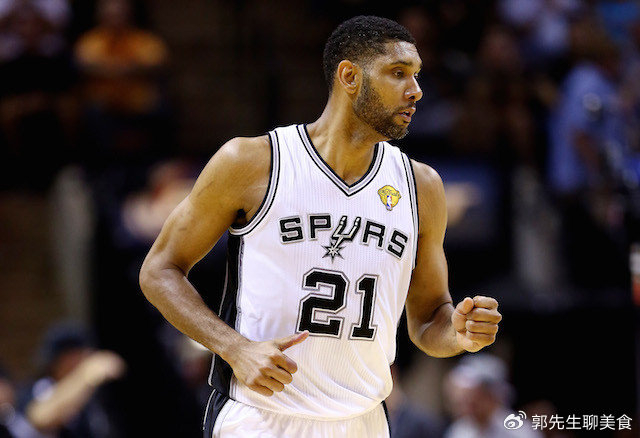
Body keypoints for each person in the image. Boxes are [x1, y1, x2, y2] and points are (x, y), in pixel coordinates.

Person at [139, 15, 502, 438]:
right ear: (349, 76)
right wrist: (235, 348)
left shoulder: (421, 186)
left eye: (416, 74)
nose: (416, 89)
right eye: (398, 73)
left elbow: (428, 321)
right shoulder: (253, 162)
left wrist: (459, 333)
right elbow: (159, 270)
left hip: (364, 422)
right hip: (260, 417)